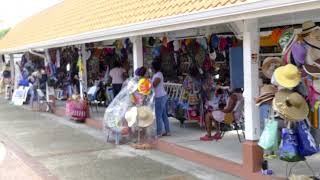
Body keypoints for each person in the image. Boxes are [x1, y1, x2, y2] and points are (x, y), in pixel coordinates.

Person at [151, 61, 170, 136]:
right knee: (163, 115)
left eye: (152, 67)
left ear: (154, 67)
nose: (151, 68)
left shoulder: (158, 74)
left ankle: (159, 132)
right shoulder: (157, 74)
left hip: (160, 97)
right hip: (161, 96)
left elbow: (154, 85)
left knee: (158, 115)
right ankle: (167, 131)